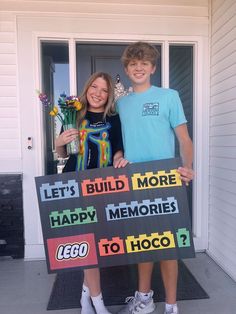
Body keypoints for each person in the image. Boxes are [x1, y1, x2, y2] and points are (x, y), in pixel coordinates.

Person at [115, 42, 194, 314]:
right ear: (126, 69)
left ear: (153, 68)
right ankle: (144, 299)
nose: (139, 67)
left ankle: (171, 305)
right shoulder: (121, 104)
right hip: (135, 181)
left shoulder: (169, 96)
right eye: (133, 64)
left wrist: (188, 167)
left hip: (167, 180)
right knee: (143, 244)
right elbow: (120, 142)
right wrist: (118, 156)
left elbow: (184, 139)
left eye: (144, 63)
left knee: (168, 247)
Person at [55, 72, 127, 314]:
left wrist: (119, 159)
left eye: (104, 90)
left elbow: (117, 148)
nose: (98, 93)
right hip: (75, 188)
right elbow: (64, 155)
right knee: (88, 245)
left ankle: (85, 296)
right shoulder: (73, 115)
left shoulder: (114, 118)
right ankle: (98, 302)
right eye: (94, 87)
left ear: (109, 96)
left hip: (104, 187)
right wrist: (59, 143)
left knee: (96, 244)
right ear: (87, 89)